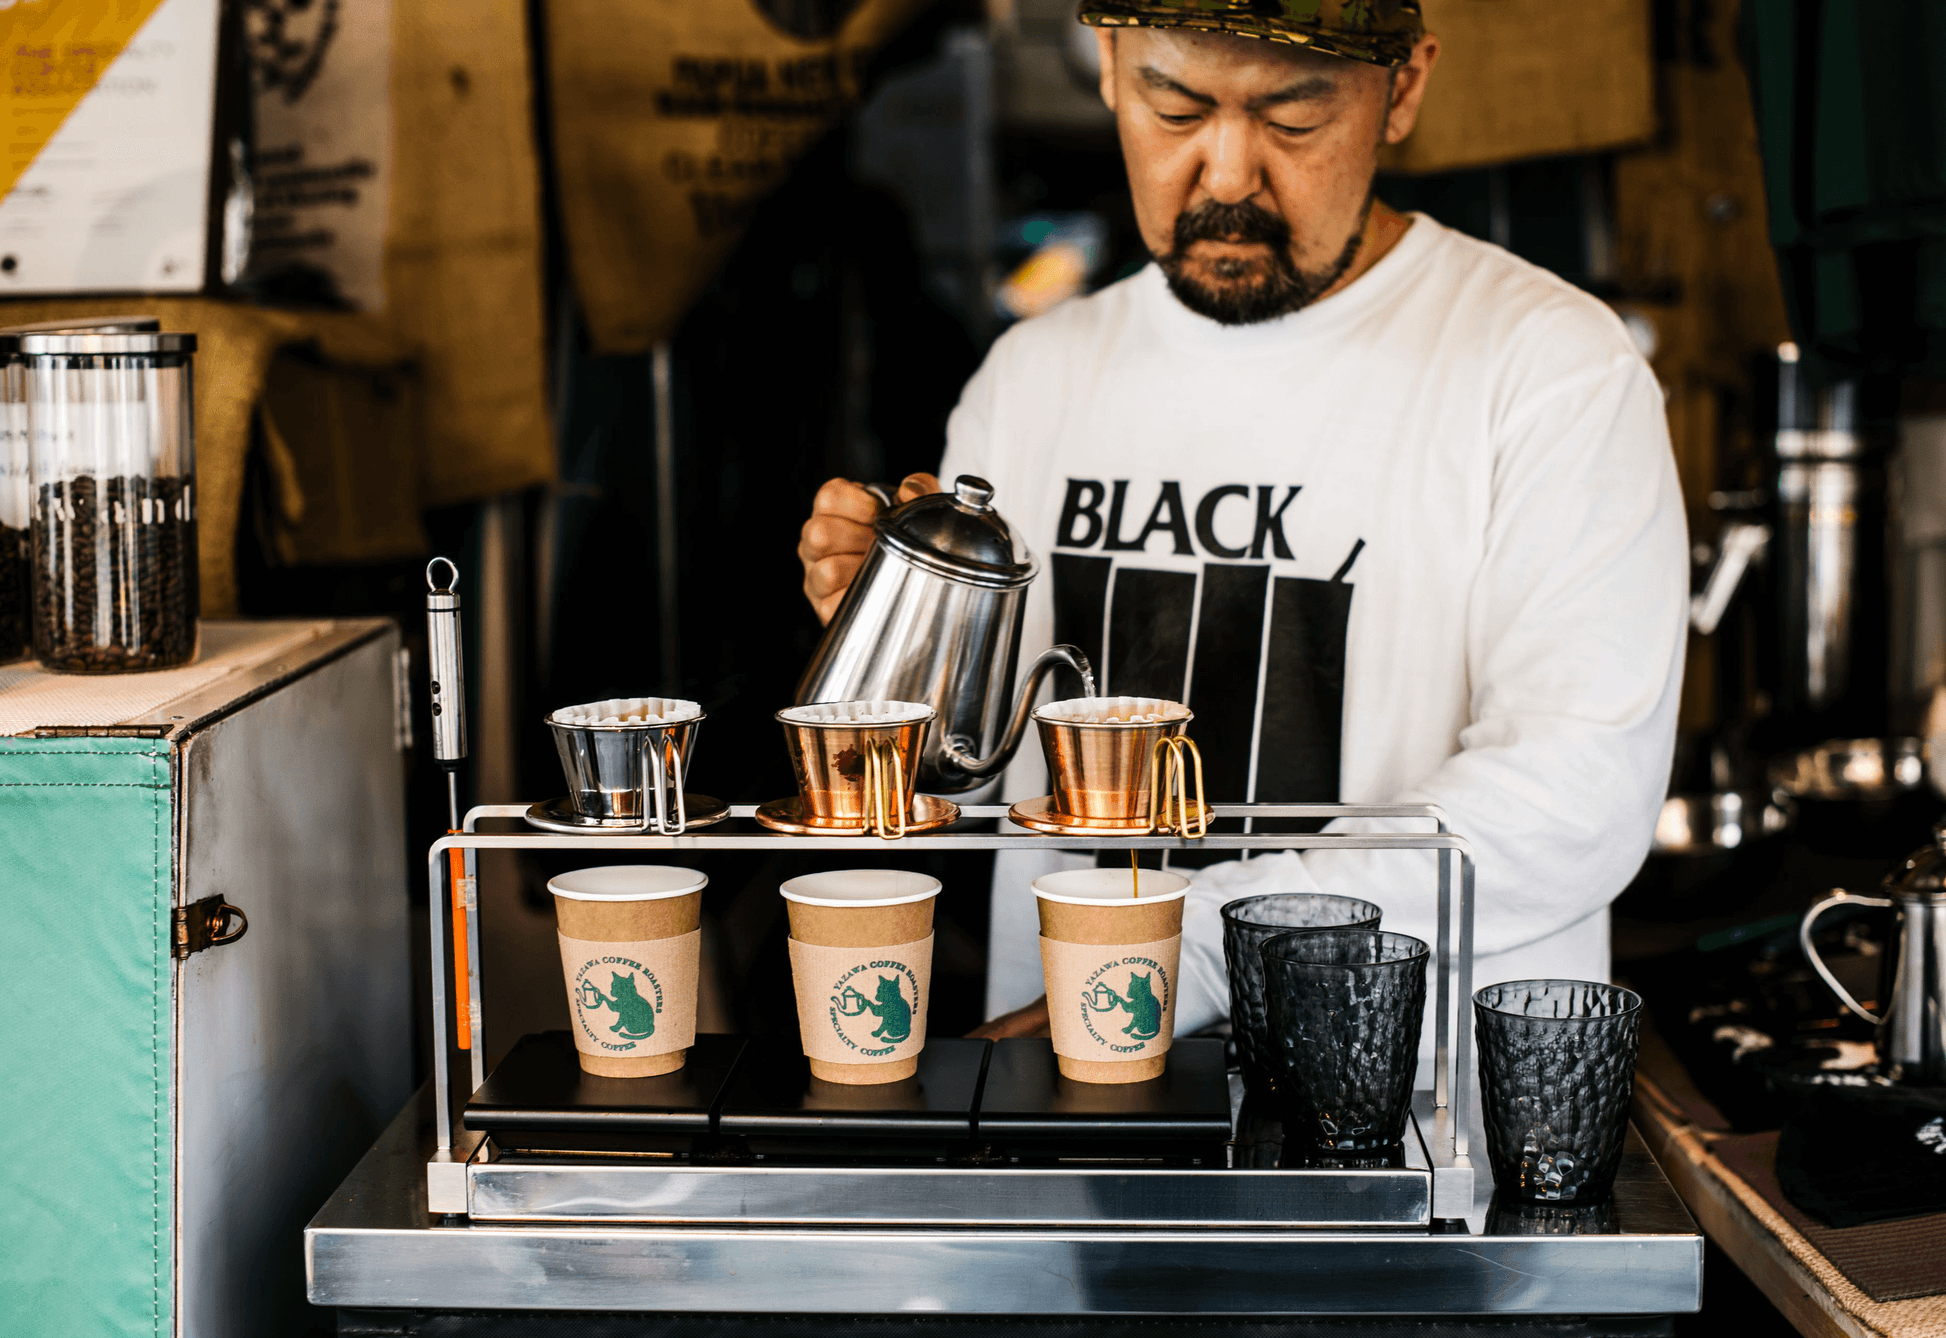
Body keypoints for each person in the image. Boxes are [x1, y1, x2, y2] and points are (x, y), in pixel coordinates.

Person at [797, 0, 1686, 1056]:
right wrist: (894, 645)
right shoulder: (1031, 379)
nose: (1224, 178)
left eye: (1291, 120)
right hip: (1069, 1129)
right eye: (1173, 110)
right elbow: (965, 773)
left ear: (1400, 89)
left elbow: (1568, 803)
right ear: (1108, 64)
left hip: (1399, 1154)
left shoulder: (1546, 371)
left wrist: (1195, 961)